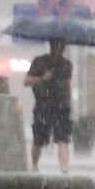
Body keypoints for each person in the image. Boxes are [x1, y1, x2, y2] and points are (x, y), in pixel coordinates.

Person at [25, 40, 73, 173]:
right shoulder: (39, 62)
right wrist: (42, 79)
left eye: (62, 46)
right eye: (57, 45)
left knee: (63, 139)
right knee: (39, 140)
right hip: (43, 105)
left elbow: (67, 85)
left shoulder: (66, 65)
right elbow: (26, 81)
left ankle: (64, 169)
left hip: (61, 106)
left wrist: (68, 102)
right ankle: (34, 165)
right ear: (51, 45)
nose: (59, 48)